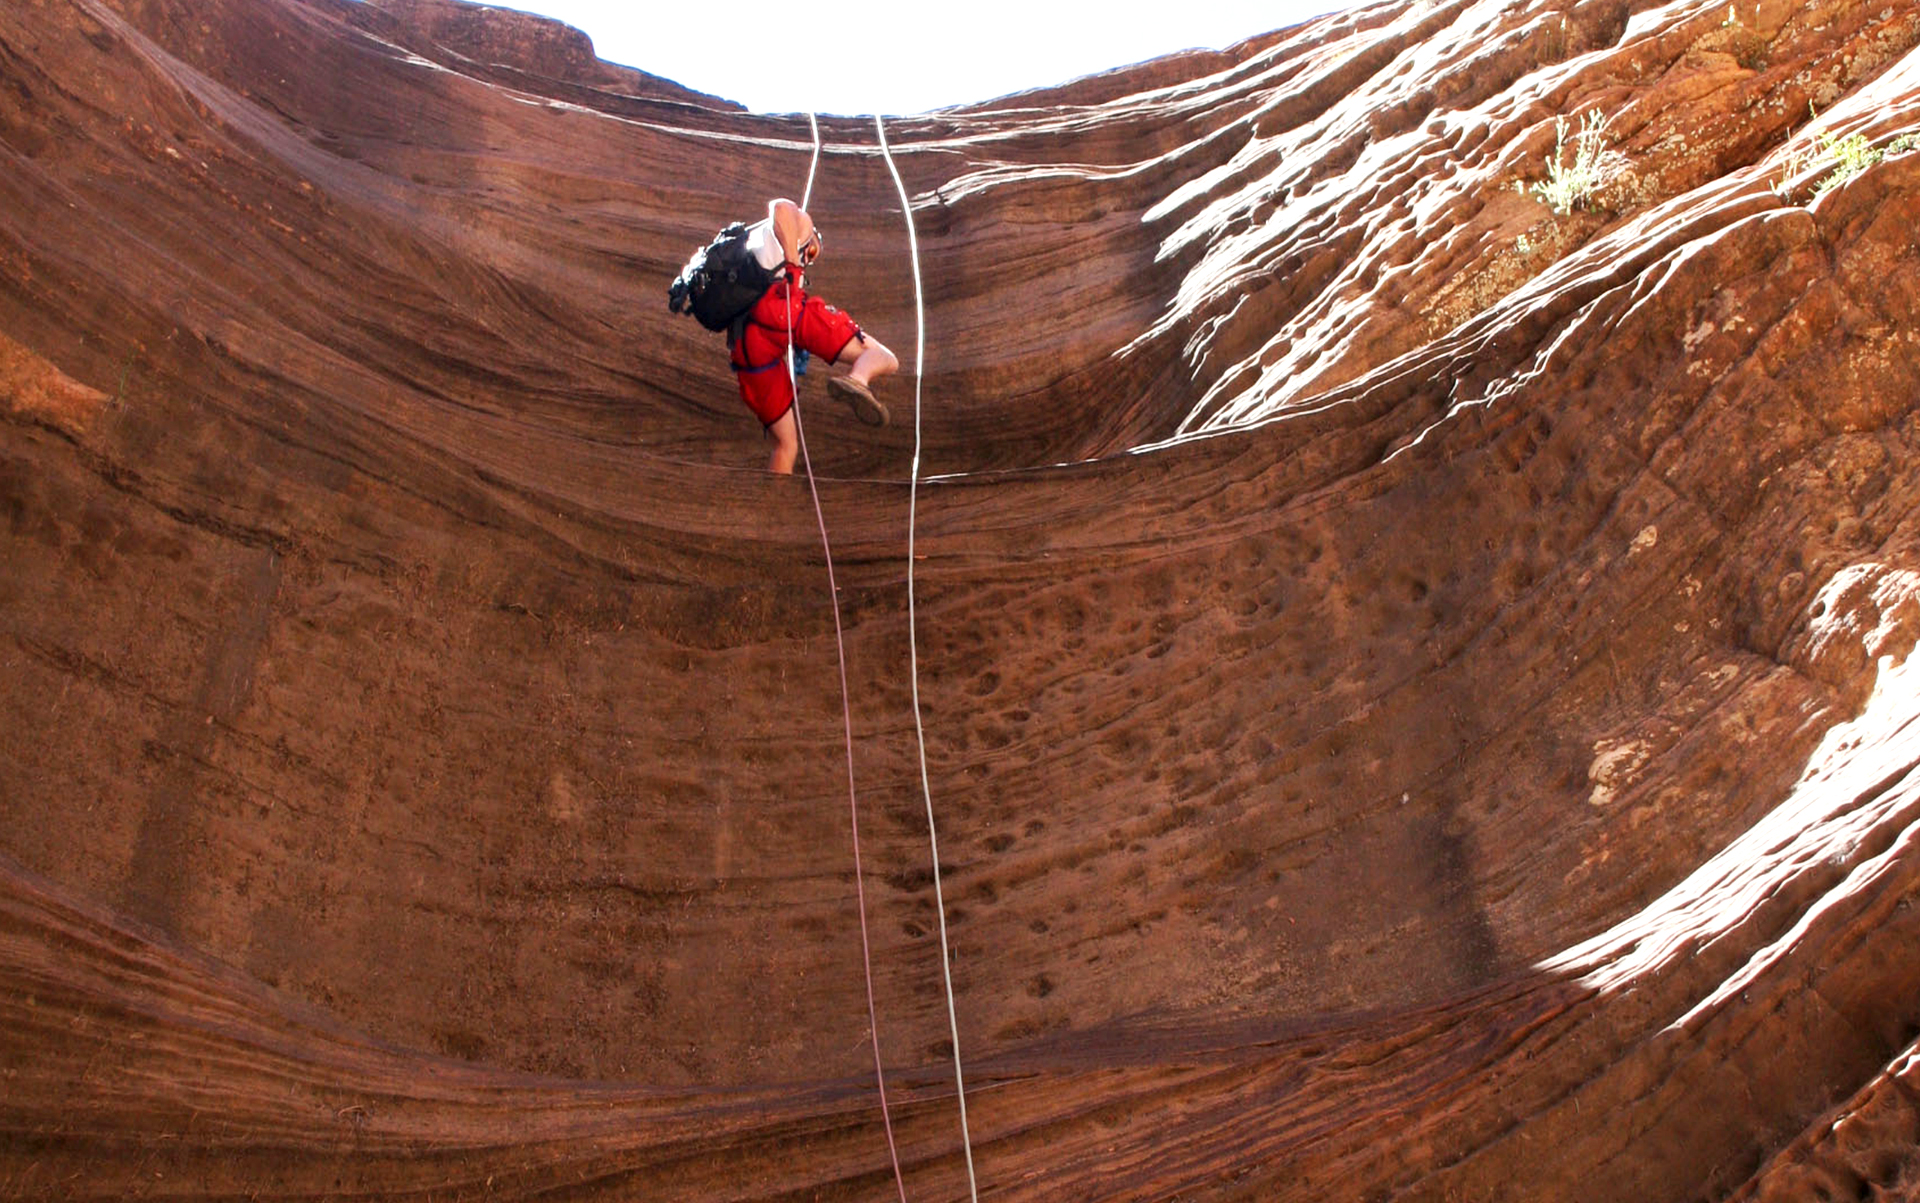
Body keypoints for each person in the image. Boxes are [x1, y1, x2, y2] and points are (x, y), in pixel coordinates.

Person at [729, 198, 898, 473]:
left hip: (749, 339)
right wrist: (795, 266)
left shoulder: (753, 247)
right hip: (785, 309)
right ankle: (858, 380)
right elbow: (780, 207)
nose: (812, 258)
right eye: (814, 252)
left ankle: (773, 507)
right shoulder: (800, 229)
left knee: (786, 445)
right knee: (885, 357)